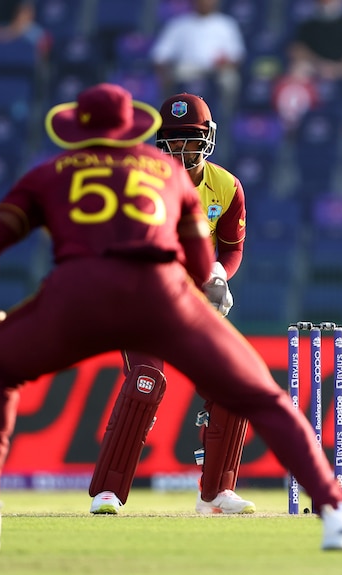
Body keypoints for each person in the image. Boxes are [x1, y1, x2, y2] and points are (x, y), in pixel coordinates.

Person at [0, 82, 342, 554]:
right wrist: (211, 285)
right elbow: (197, 259)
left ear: (76, 132)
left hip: (78, 295)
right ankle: (336, 513)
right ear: (134, 132)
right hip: (162, 296)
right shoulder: (164, 173)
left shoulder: (51, 172)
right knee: (261, 394)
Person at [89, 92, 253, 515]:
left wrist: (217, 274)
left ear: (208, 139)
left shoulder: (226, 186)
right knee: (146, 381)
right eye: (173, 141)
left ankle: (216, 493)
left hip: (192, 307)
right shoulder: (139, 183)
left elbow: (232, 249)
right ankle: (108, 491)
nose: (182, 149)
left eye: (191, 139)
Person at [149, 0, 245, 110]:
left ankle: (226, 115)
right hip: (188, 67)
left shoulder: (226, 24)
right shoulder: (179, 24)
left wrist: (225, 61)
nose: (205, 3)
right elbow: (160, 54)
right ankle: (172, 114)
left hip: (217, 69)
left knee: (231, 80)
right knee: (170, 76)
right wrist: (164, 72)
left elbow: (237, 55)